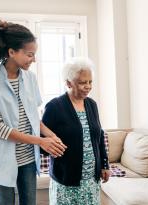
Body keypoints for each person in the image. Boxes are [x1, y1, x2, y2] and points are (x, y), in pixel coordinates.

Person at [0, 20, 67, 205]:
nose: (34, 59)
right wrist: (41, 141)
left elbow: (34, 119)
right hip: (1, 159)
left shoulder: (30, 78)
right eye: (30, 54)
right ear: (11, 52)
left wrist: (52, 136)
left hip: (28, 159)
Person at [42, 57, 110, 205]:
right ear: (68, 83)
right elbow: (42, 142)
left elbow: (99, 136)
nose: (88, 86)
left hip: (91, 180)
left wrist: (105, 164)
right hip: (67, 182)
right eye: (82, 82)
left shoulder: (92, 105)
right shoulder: (55, 107)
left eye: (90, 82)